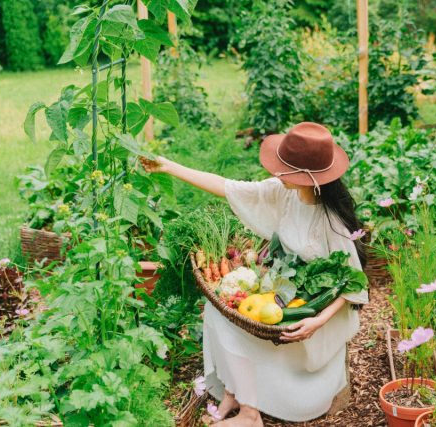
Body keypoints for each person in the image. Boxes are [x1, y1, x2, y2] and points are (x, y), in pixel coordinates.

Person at [140, 122, 369, 426]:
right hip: (285, 293)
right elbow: (227, 186)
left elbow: (354, 285)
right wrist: (169, 167)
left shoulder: (331, 223)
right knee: (215, 311)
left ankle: (250, 415)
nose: (276, 174)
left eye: (284, 170)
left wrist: (316, 321)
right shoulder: (284, 192)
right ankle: (236, 393)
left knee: (240, 327)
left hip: (313, 312)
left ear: (307, 178)